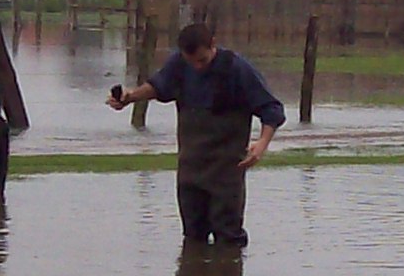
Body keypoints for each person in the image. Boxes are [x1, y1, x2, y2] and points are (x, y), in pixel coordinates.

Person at [107, 22, 286, 246]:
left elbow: (272, 109)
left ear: (213, 45)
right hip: (190, 168)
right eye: (191, 62)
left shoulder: (237, 69)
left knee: (228, 237)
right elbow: (159, 86)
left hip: (227, 170)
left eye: (202, 60)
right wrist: (130, 96)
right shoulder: (180, 65)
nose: (197, 67)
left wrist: (262, 143)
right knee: (192, 237)